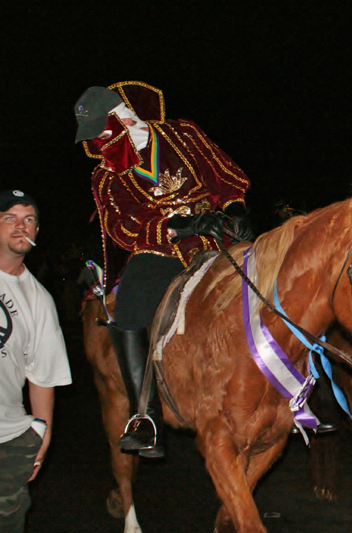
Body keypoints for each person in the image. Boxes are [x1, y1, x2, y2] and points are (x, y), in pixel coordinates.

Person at [74, 82, 251, 458]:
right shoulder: (105, 176)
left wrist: (234, 209)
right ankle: (146, 416)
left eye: (104, 132)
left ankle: (303, 387)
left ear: (122, 116)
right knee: (129, 310)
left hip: (220, 239)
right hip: (161, 250)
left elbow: (225, 176)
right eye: (96, 139)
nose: (102, 144)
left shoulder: (183, 134)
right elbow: (121, 229)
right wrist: (179, 226)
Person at [0, 190, 72, 532]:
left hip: (9, 440)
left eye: (29, 220)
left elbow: (42, 376)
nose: (20, 226)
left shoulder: (40, 300)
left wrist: (40, 438)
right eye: (9, 217)